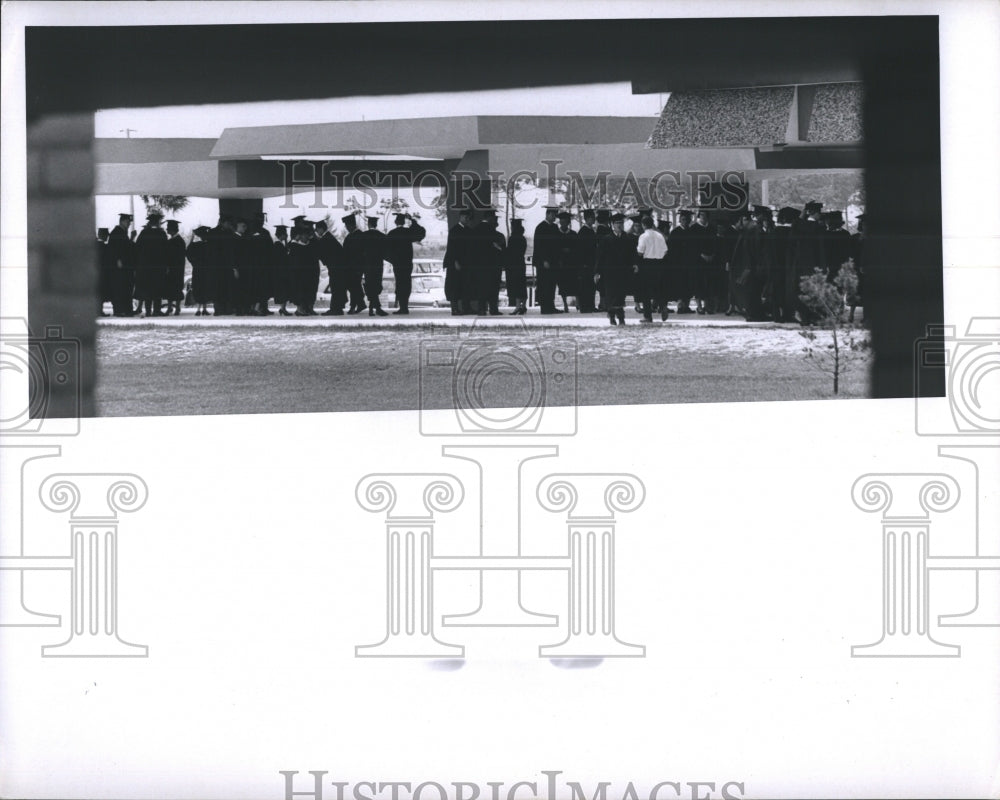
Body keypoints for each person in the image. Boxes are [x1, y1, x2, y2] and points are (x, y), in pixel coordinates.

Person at [595, 212, 639, 326]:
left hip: (623, 271)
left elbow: (633, 254)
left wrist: (634, 264)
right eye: (617, 223)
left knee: (620, 294)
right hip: (609, 272)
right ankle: (612, 316)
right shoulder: (606, 239)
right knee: (610, 294)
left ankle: (621, 316)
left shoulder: (628, 238)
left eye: (621, 223)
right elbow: (600, 257)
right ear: (612, 225)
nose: (619, 225)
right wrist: (597, 272)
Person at [385, 212, 426, 315]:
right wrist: (413, 221)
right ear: (404, 222)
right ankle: (404, 307)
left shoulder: (392, 233)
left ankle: (402, 307)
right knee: (406, 283)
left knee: (399, 283)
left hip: (398, 264)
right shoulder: (408, 232)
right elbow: (421, 233)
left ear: (395, 222)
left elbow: (386, 250)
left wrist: (393, 261)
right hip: (407, 263)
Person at [134, 210, 168, 317]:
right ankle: (156, 310)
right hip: (158, 267)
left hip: (145, 267)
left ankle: (148, 311)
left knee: (147, 288)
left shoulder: (144, 233)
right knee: (157, 288)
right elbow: (165, 251)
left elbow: (137, 249)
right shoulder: (162, 234)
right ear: (158, 223)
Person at [471, 208, 505, 315]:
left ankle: (482, 309)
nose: (495, 221)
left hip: (479, 265)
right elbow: (499, 246)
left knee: (481, 287)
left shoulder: (475, 230)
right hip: (493, 264)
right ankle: (493, 309)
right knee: (493, 287)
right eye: (494, 218)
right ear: (489, 218)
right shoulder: (493, 232)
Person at [635, 215, 668, 322]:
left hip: (647, 264)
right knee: (658, 288)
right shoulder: (659, 236)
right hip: (659, 263)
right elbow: (665, 251)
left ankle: (647, 316)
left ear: (643, 225)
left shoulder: (643, 236)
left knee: (646, 291)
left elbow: (640, 252)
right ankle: (663, 306)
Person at [443, 208, 476, 315]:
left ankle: (467, 308)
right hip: (455, 263)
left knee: (466, 285)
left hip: (466, 263)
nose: (467, 219)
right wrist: (455, 261)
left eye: (468, 218)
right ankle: (455, 309)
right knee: (454, 286)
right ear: (461, 217)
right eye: (465, 217)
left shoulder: (469, 231)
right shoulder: (454, 230)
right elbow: (451, 248)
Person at [207, 213, 237, 316]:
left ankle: (225, 309)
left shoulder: (228, 233)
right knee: (219, 287)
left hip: (223, 266)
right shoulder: (213, 233)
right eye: (227, 223)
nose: (229, 225)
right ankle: (219, 309)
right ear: (222, 223)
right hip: (218, 265)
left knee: (224, 287)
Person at [532, 206, 561, 314]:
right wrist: (544, 260)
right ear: (547, 214)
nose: (554, 218)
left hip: (553, 261)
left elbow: (557, 245)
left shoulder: (554, 227)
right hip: (543, 262)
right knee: (544, 284)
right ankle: (544, 307)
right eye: (553, 215)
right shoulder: (541, 227)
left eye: (555, 216)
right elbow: (539, 246)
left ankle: (551, 305)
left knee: (552, 284)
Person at [314, 219, 346, 316]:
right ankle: (338, 308)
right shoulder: (329, 237)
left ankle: (335, 309)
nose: (316, 231)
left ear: (321, 229)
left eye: (317, 229)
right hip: (338, 267)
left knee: (335, 287)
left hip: (335, 267)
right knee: (337, 287)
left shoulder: (326, 238)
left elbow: (320, 253)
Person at [666, 209, 695, 314]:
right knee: (680, 284)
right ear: (679, 220)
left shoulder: (692, 232)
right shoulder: (675, 233)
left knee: (689, 285)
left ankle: (686, 306)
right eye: (683, 219)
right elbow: (671, 250)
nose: (685, 221)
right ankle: (680, 306)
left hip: (690, 263)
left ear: (690, 220)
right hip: (678, 264)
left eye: (687, 219)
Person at [775, 207, 801, 322]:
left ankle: (778, 315)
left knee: (778, 290)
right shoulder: (792, 233)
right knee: (789, 290)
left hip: (776, 265)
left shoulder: (774, 231)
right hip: (789, 266)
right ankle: (788, 314)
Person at [288, 221, 319, 316]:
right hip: (299, 274)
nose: (307, 237)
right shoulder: (296, 246)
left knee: (310, 291)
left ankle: (309, 308)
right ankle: (300, 309)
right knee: (300, 291)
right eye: (305, 235)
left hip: (310, 273)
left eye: (308, 234)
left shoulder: (310, 245)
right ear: (300, 236)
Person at [107, 212, 135, 316]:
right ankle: (119, 310)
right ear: (122, 221)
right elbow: (114, 249)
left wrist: (131, 239)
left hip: (125, 266)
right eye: (127, 222)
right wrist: (118, 260)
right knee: (119, 287)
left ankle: (127, 309)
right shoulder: (116, 233)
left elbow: (126, 248)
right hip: (119, 266)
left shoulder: (123, 233)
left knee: (125, 287)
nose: (129, 224)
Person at [248, 212, 274, 315]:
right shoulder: (259, 233)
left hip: (259, 265)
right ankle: (257, 308)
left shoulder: (260, 232)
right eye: (261, 220)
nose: (262, 222)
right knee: (259, 287)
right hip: (258, 265)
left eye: (262, 220)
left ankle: (260, 307)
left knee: (259, 287)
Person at [361, 215, 388, 316]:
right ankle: (376, 308)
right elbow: (385, 251)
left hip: (367, 265)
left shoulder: (363, 236)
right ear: (376, 224)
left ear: (368, 224)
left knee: (370, 286)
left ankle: (372, 308)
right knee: (376, 286)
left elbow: (360, 251)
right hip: (378, 265)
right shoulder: (382, 236)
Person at [341, 213, 367, 314]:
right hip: (352, 267)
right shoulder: (354, 236)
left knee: (354, 286)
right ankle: (360, 304)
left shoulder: (357, 236)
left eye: (347, 226)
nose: (346, 228)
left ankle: (354, 306)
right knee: (354, 286)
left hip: (355, 267)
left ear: (351, 225)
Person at [553, 210, 579, 313]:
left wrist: (570, 251)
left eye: (566, 221)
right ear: (560, 222)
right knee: (562, 285)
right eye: (562, 221)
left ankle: (578, 303)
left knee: (575, 283)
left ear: (569, 223)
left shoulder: (573, 234)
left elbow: (578, 249)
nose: (564, 223)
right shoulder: (555, 234)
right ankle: (565, 305)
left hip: (572, 263)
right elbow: (553, 250)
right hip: (561, 264)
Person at [575, 208, 599, 313]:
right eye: (593, 218)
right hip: (585, 264)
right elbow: (580, 250)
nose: (594, 220)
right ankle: (584, 307)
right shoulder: (583, 232)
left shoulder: (590, 231)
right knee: (585, 286)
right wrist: (583, 263)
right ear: (588, 219)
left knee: (591, 285)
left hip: (591, 263)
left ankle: (591, 305)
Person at [504, 218, 528, 315]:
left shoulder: (512, 238)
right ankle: (523, 306)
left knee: (516, 285)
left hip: (513, 264)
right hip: (521, 263)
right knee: (522, 284)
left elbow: (510, 252)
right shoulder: (523, 238)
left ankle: (518, 306)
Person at [163, 219, 187, 316]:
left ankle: (177, 308)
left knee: (177, 288)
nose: (166, 230)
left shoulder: (179, 241)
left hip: (176, 268)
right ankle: (169, 308)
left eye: (168, 228)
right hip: (172, 268)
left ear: (172, 230)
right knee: (170, 288)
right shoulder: (173, 241)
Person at [187, 226, 212, 316]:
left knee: (199, 287)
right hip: (206, 270)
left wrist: (192, 238)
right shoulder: (209, 245)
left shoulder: (196, 245)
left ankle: (199, 308)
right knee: (204, 287)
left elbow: (188, 252)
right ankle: (203, 308)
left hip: (198, 269)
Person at [270, 225, 292, 316]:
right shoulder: (277, 245)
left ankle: (283, 308)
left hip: (281, 271)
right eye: (285, 234)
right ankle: (283, 308)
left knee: (284, 290)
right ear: (281, 234)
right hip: (280, 272)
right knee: (283, 290)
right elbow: (284, 258)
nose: (286, 236)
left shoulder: (278, 244)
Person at [849, 213, 865, 322]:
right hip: (856, 268)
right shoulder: (854, 238)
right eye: (863, 224)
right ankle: (851, 315)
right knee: (854, 291)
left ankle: (867, 315)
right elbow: (851, 253)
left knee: (867, 292)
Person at [96, 228, 112, 317]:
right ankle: (99, 311)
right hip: (103, 273)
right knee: (101, 293)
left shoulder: (94, 245)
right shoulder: (105, 247)